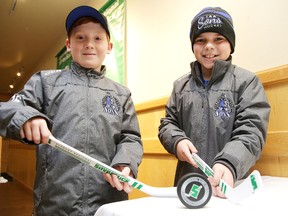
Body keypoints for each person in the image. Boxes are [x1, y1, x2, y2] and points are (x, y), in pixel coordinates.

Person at [0, 5, 143, 215]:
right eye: (80, 38)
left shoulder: (121, 93)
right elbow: (9, 108)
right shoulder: (45, 82)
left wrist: (125, 162)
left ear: (109, 46)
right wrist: (26, 117)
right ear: (68, 44)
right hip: (54, 202)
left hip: (109, 203)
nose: (89, 45)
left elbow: (130, 137)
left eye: (97, 39)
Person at [158, 7, 270, 199]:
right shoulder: (180, 86)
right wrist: (176, 140)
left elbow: (251, 131)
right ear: (193, 45)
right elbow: (168, 123)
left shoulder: (247, 81)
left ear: (231, 43)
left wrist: (229, 162)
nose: (209, 46)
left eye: (218, 39)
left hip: (229, 184)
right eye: (201, 40)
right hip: (188, 183)